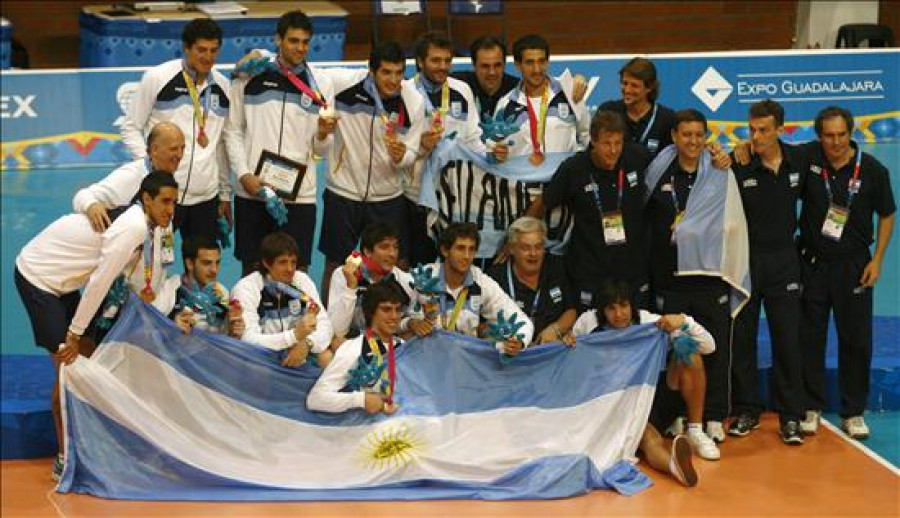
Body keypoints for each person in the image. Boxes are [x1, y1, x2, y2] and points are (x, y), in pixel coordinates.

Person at [15, 171, 178, 480]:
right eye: (165, 202)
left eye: (174, 203)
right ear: (146, 199)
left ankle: (90, 439)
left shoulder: (143, 224)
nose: (170, 210)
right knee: (70, 366)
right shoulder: (132, 228)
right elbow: (99, 282)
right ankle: (64, 457)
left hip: (61, 282)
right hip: (38, 277)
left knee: (89, 354)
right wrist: (73, 334)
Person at [644, 109, 742, 445]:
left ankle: (713, 415)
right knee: (675, 350)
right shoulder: (658, 171)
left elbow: (732, 218)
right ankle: (677, 415)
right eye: (687, 135)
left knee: (714, 347)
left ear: (707, 137)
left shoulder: (718, 171)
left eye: (700, 135)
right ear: (674, 136)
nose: (693, 141)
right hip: (669, 278)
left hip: (708, 275)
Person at [797, 106, 895, 439]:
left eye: (841, 134)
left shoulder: (873, 170)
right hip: (812, 264)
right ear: (819, 136)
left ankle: (853, 412)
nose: (835, 142)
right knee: (810, 337)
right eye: (828, 135)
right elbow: (773, 155)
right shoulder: (808, 160)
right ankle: (810, 407)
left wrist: (877, 259)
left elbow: (887, 214)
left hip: (854, 266)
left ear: (850, 133)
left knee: (856, 340)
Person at [227, 10, 335, 276]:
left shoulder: (320, 83)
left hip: (299, 194)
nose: (300, 48)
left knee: (295, 273)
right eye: (293, 41)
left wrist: (322, 135)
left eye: (305, 42)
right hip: (254, 190)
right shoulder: (250, 74)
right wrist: (243, 175)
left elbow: (322, 149)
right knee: (252, 270)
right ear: (278, 40)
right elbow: (233, 131)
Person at [572, 279, 718, 473]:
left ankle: (695, 430)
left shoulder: (651, 322)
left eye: (624, 306)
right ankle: (676, 468)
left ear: (632, 305)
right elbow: (572, 362)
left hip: (654, 397)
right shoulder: (587, 323)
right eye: (611, 309)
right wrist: (568, 343)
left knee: (689, 352)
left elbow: (710, 347)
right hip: (618, 406)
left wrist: (684, 322)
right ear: (601, 311)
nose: (619, 314)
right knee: (649, 438)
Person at [317, 41, 426, 301]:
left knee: (397, 264)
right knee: (335, 265)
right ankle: (328, 325)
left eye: (399, 73)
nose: (394, 80)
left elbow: (412, 151)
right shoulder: (342, 83)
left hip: (387, 196)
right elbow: (305, 69)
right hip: (343, 192)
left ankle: (396, 319)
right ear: (371, 70)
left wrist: (402, 157)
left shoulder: (413, 100)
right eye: (387, 72)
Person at [728, 100, 806, 444]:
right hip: (746, 261)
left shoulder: (799, 161)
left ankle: (791, 415)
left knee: (787, 339)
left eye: (763, 130)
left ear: (779, 130)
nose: (756, 136)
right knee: (743, 338)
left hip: (785, 260)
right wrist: (732, 155)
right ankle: (747, 409)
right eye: (752, 129)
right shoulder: (739, 163)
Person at [120, 18, 238, 241]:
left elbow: (221, 145)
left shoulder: (223, 87)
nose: (208, 57)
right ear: (186, 47)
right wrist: (152, 167)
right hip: (164, 195)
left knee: (201, 270)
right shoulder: (158, 78)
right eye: (201, 50)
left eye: (214, 50)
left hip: (205, 197)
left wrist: (224, 194)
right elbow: (130, 126)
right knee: (152, 262)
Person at [527, 110, 652, 310]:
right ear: (593, 140)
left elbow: (674, 160)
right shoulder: (574, 168)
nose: (613, 151)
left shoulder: (637, 157)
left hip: (632, 270)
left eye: (618, 143)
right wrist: (516, 236)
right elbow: (544, 202)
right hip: (590, 271)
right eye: (606, 143)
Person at [492, 34, 589, 254]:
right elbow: (492, 150)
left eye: (541, 61)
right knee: (526, 256)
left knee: (563, 259)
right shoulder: (506, 104)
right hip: (523, 197)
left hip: (565, 196)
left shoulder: (569, 93)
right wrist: (495, 152)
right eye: (529, 62)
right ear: (517, 65)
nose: (537, 69)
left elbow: (586, 138)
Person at [404, 31, 490, 267]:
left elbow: (473, 139)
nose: (443, 66)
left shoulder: (461, 90)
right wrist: (420, 147)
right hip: (413, 195)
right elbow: (395, 148)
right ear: (420, 62)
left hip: (454, 197)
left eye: (447, 60)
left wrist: (492, 156)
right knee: (414, 263)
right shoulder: (404, 93)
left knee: (452, 263)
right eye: (435, 60)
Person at [406, 222, 534, 354]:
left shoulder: (481, 282)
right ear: (445, 250)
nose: (467, 256)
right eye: (460, 248)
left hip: (465, 363)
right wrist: (410, 323)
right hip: (424, 360)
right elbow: (391, 318)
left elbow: (521, 319)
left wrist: (519, 340)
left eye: (471, 249)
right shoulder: (422, 277)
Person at [231, 232, 334, 367]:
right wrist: (294, 336)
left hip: (295, 352)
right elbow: (248, 339)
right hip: (262, 358)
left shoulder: (302, 281)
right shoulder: (247, 288)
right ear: (266, 263)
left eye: (293, 262)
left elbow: (325, 326)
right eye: (283, 262)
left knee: (326, 357)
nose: (290, 269)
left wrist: (308, 343)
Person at [308, 280, 406, 415]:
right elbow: (316, 399)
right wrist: (361, 400)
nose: (394, 316)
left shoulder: (403, 347)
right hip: (367, 431)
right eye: (386, 309)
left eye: (398, 310)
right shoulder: (354, 349)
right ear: (371, 312)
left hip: (404, 427)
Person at [73, 122, 185, 232]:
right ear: (154, 149)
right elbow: (82, 196)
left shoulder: (171, 179)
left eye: (182, 148)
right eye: (174, 149)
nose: (180, 155)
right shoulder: (131, 175)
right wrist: (92, 206)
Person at [487, 217, 576, 346]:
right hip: (511, 355)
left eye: (539, 247)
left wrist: (556, 329)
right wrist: (502, 334)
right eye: (525, 248)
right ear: (511, 249)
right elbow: (481, 325)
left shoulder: (556, 268)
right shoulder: (495, 277)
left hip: (550, 349)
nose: (533, 253)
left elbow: (571, 310)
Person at [327, 221, 414, 342]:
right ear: (367, 251)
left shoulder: (405, 280)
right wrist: (351, 287)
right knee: (336, 342)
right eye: (384, 247)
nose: (392, 254)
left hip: (391, 342)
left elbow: (414, 321)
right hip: (354, 342)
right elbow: (337, 330)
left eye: (395, 247)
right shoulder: (343, 275)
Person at [155, 235, 244, 337]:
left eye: (217, 263)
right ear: (190, 264)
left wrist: (234, 332)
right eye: (207, 263)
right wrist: (171, 329)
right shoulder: (168, 291)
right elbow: (149, 334)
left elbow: (224, 339)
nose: (214, 270)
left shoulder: (222, 293)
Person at [599, 57, 677, 158]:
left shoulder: (667, 119)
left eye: (634, 86)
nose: (627, 90)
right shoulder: (608, 111)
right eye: (624, 83)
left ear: (649, 87)